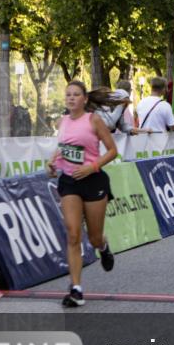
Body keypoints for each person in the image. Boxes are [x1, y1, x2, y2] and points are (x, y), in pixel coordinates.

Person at [46, 81, 123, 307]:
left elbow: (112, 151)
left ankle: (103, 247)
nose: (71, 98)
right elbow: (64, 148)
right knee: (72, 234)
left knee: (94, 237)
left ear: (85, 99)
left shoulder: (94, 120)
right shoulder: (62, 121)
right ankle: (76, 289)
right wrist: (52, 165)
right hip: (69, 181)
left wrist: (92, 166)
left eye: (76, 95)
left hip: (93, 180)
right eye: (68, 94)